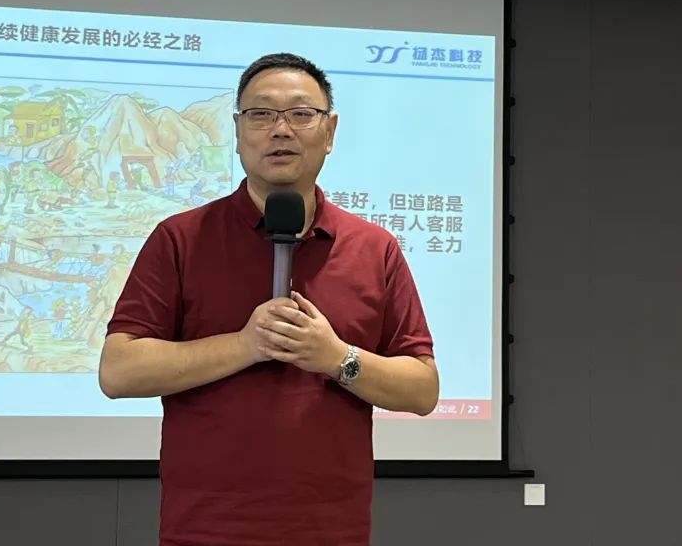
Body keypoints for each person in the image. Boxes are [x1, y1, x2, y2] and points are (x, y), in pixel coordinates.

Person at [100, 53, 439, 545]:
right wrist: (244, 345)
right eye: (261, 114)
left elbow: (422, 389)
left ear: (330, 132)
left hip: (331, 531)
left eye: (301, 114)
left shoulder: (374, 248)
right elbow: (118, 371)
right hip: (205, 530)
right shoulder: (180, 238)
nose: (281, 130)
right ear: (238, 131)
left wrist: (336, 358)